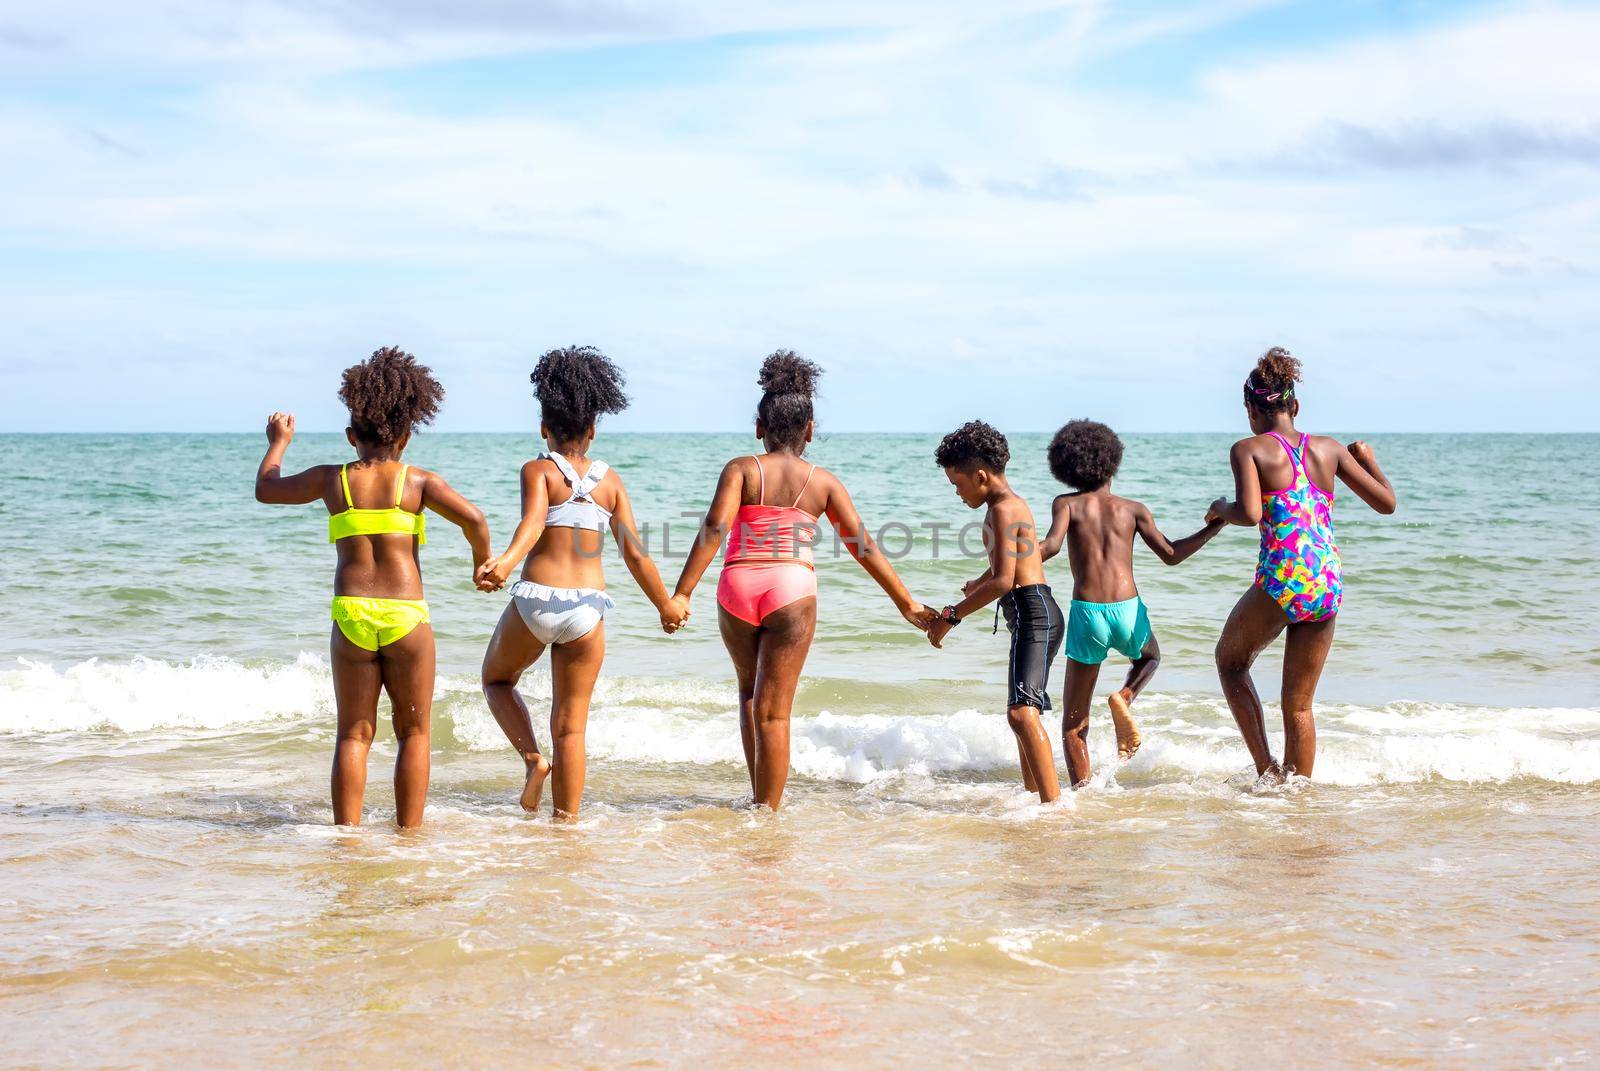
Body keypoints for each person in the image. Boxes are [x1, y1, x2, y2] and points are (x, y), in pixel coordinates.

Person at [667, 350, 935, 810]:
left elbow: (714, 528)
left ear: (759, 428)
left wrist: (682, 591)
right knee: (775, 714)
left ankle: (757, 801)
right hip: (791, 591)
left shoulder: (741, 468)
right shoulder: (823, 481)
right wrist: (906, 604)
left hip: (736, 589)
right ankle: (767, 817)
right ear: (811, 431)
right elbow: (862, 546)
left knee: (750, 699)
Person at [254, 346, 491, 828]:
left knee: (353, 736)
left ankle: (347, 839)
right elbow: (475, 519)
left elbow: (266, 489)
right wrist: (481, 563)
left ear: (349, 437)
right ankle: (408, 837)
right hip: (407, 618)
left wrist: (278, 442)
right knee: (414, 733)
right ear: (405, 436)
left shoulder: (331, 480)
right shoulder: (417, 481)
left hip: (352, 615)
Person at [475, 346, 688, 819]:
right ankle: (566, 826)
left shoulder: (538, 470)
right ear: (593, 430)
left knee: (496, 679)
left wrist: (507, 563)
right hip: (587, 609)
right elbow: (634, 552)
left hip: (536, 601)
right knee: (571, 727)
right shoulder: (610, 482)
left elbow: (532, 526)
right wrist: (666, 605)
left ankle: (533, 759)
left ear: (543, 428)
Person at [1208, 347, 1396, 782]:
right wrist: (1368, 460)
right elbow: (1386, 503)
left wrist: (1220, 506)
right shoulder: (1329, 449)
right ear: (1295, 405)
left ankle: (1267, 772)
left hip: (1283, 580)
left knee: (1230, 662)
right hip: (1326, 583)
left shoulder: (1248, 449)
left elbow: (1250, 513)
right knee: (1299, 704)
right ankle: (1298, 801)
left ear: (1251, 409)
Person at [1039, 420, 1224, 785]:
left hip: (1087, 614)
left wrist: (1010, 558)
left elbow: (1051, 546)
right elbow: (1171, 554)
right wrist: (1213, 527)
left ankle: (1082, 795)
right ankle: (1125, 695)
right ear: (1113, 462)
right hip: (1127, 610)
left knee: (1074, 726)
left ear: (1067, 467)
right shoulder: (1133, 509)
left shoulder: (1067, 504)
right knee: (1150, 657)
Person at [925, 421, 1062, 803]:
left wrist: (952, 615)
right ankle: (1035, 798)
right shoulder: (1011, 505)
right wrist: (978, 581)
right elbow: (1017, 558)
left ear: (980, 475)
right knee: (1022, 713)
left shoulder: (1003, 510)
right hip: (1035, 613)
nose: (957, 492)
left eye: (958, 483)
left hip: (1034, 612)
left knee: (1022, 715)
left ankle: (1054, 809)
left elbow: (1004, 581)